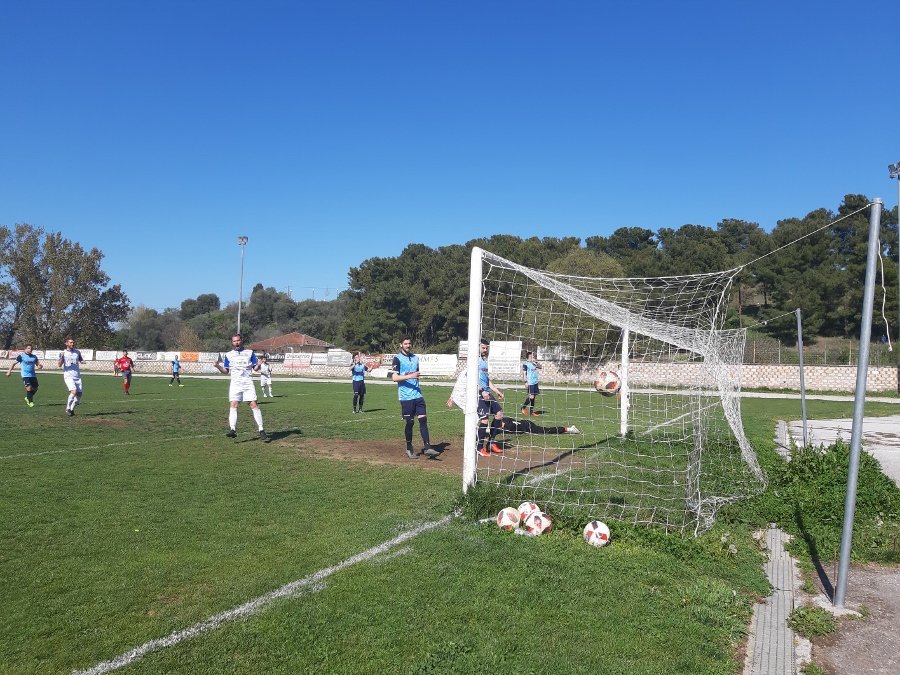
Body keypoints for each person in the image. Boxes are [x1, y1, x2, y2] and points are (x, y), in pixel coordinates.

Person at [446, 371, 579, 436]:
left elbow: (496, 424)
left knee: (544, 429)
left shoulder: (506, 423)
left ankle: (567, 429)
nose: (501, 425)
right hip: (528, 426)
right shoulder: (508, 427)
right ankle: (567, 429)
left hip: (527, 424)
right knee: (545, 430)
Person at [213, 334, 269, 442]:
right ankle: (232, 429)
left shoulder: (249, 353)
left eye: (238, 340)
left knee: (253, 404)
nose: (236, 343)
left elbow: (255, 369)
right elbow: (226, 371)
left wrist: (259, 364)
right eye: (234, 341)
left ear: (241, 341)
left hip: (247, 382)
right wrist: (218, 366)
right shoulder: (228, 355)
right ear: (232, 342)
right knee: (233, 404)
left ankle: (261, 430)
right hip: (235, 383)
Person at [391, 336, 439, 459]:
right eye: (405, 343)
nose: (408, 345)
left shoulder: (415, 358)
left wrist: (416, 376)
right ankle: (409, 447)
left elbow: (416, 375)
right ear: (401, 345)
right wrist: (411, 376)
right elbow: (395, 378)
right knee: (410, 422)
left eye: (409, 343)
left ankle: (427, 447)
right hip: (406, 397)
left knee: (423, 419)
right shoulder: (397, 359)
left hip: (418, 394)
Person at [477, 338, 505, 456]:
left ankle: (491, 442)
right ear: (477, 347)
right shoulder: (474, 360)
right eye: (483, 347)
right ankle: (479, 448)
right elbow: (471, 378)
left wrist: (496, 390)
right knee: (484, 419)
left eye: (486, 348)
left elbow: (486, 380)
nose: (485, 350)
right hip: (479, 393)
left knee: (499, 413)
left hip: (487, 392)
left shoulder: (484, 361)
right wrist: (482, 391)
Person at [58, 336, 85, 417]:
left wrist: (83, 361)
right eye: (70, 342)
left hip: (77, 376)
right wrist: (62, 358)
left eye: (73, 342)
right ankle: (67, 408)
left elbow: (80, 360)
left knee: (79, 395)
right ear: (66, 343)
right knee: (74, 391)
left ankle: (72, 409)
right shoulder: (63, 353)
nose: (72, 344)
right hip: (68, 376)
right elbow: (59, 365)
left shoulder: (77, 352)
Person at [521, 350, 541, 416]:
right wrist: (525, 382)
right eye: (533, 356)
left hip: (535, 382)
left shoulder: (534, 363)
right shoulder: (525, 364)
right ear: (529, 356)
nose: (534, 357)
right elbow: (524, 373)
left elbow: (540, 367)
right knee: (531, 397)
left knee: (534, 397)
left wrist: (536, 362)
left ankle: (531, 412)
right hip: (530, 383)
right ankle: (523, 407)